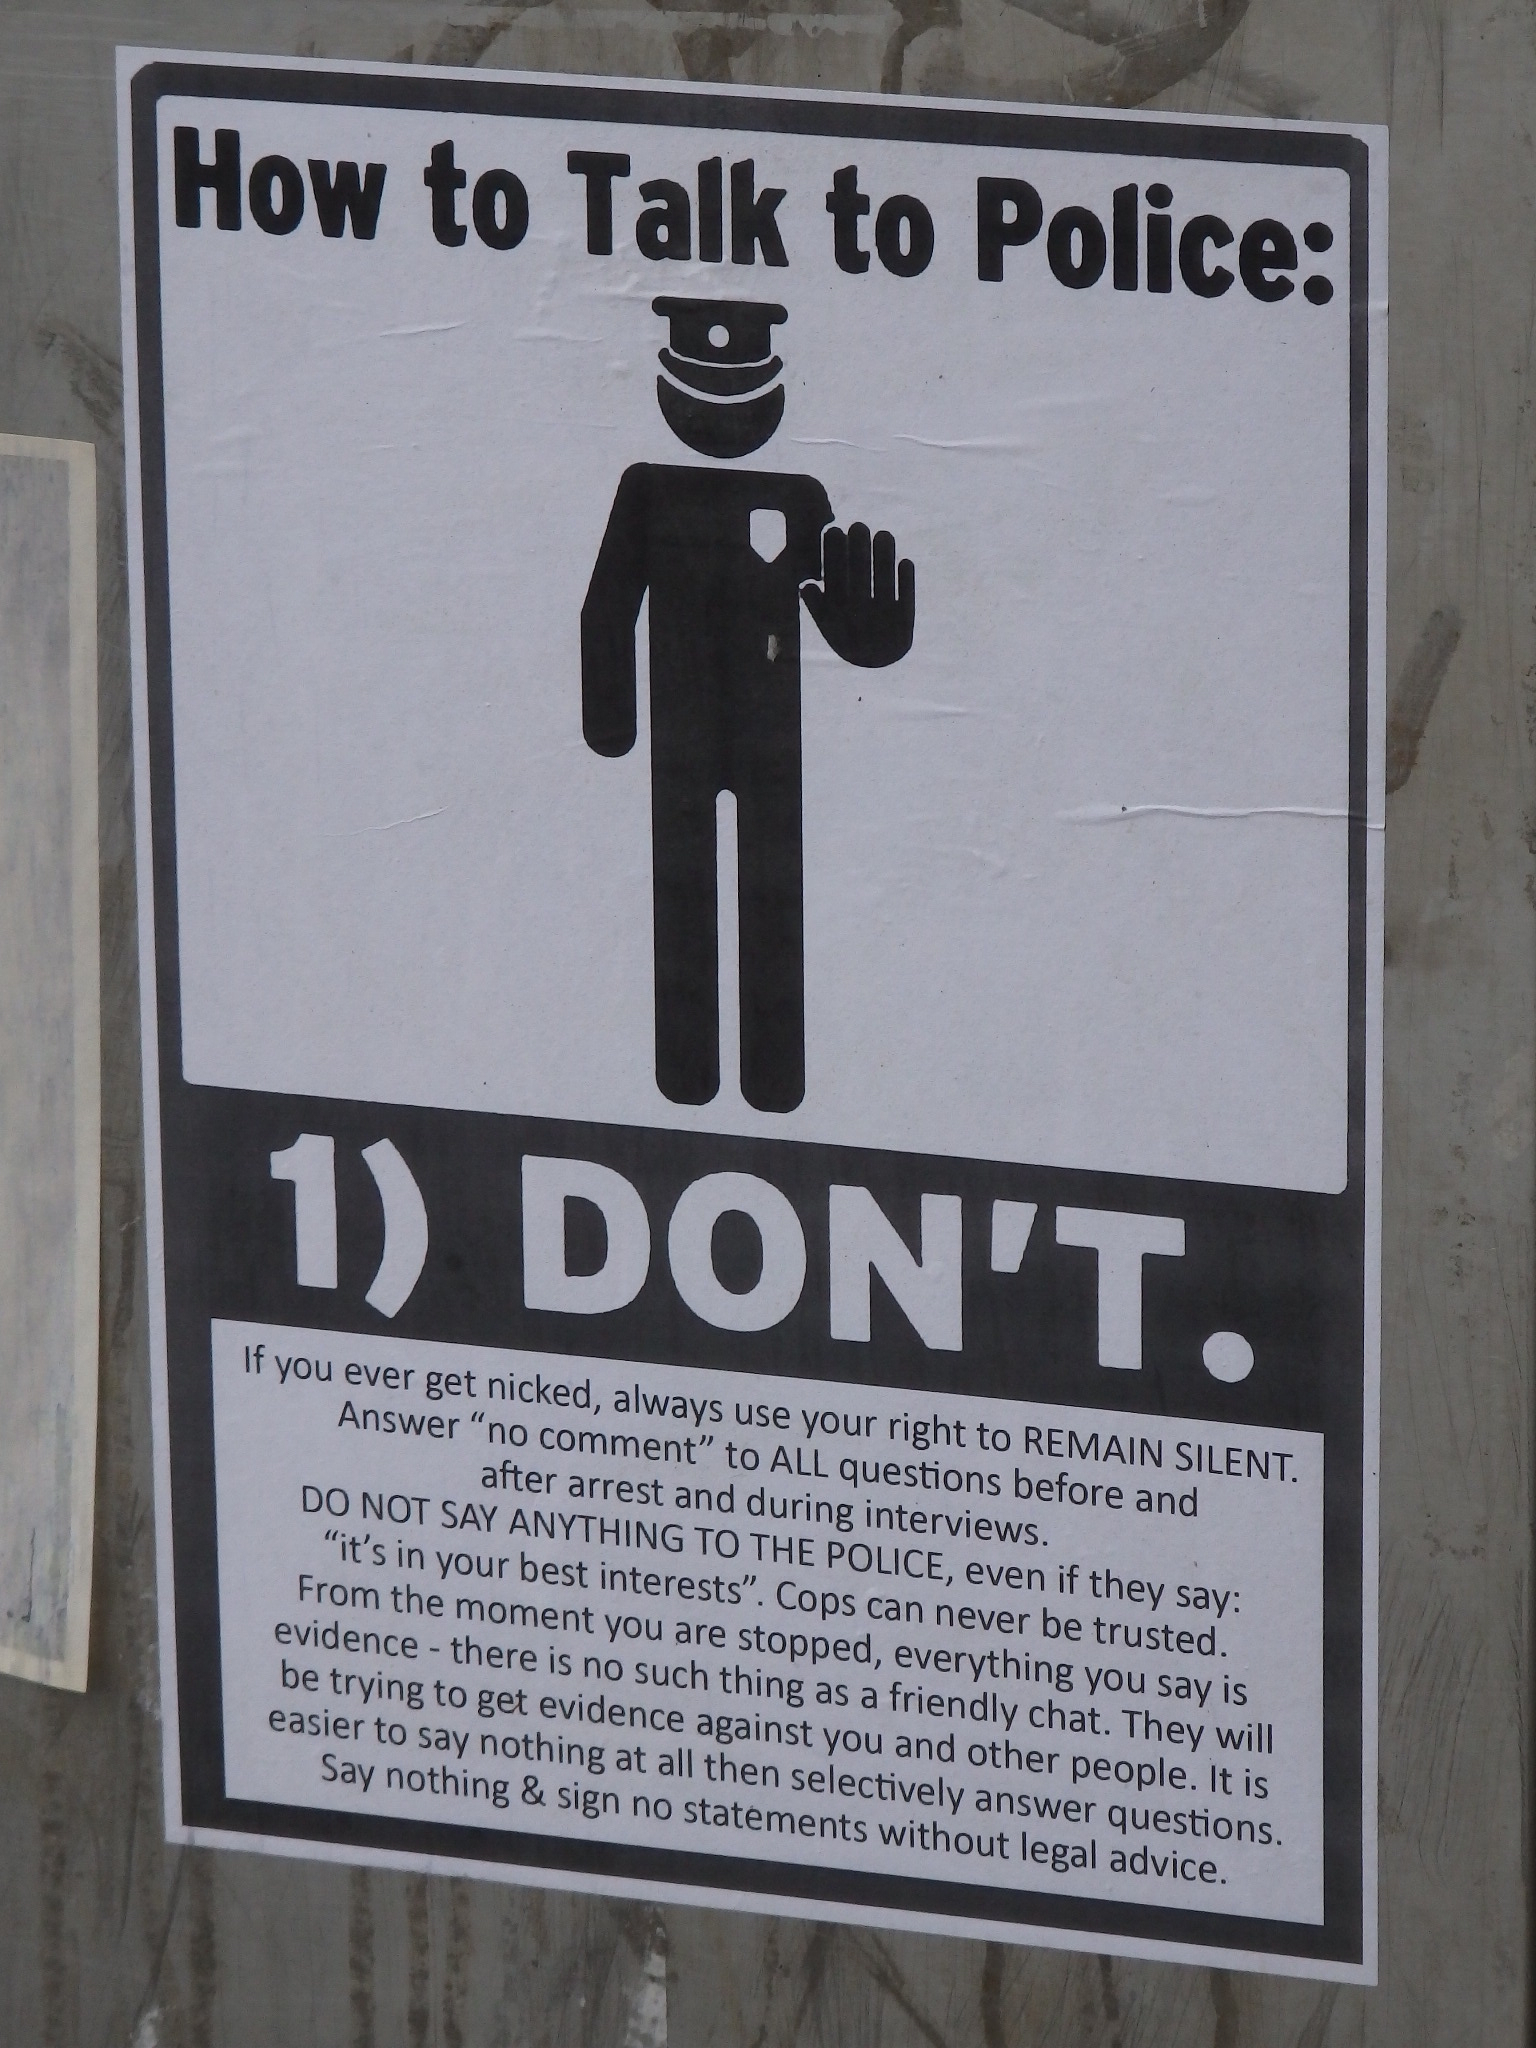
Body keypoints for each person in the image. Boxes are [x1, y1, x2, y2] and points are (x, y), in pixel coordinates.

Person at [582, 296, 915, 1113]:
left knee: (773, 897)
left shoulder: (799, 496)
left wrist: (873, 639)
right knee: (684, 890)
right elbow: (607, 605)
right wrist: (612, 718)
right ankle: (686, 1073)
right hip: (682, 729)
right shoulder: (648, 492)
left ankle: (773, 1079)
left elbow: (835, 609)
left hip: (772, 733)